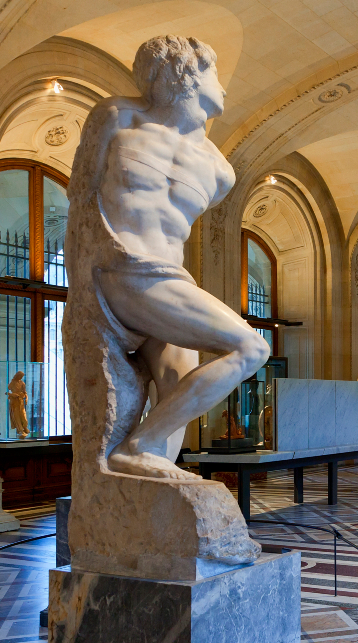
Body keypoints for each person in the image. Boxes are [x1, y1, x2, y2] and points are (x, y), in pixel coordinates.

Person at [65, 35, 269, 478]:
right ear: (186, 74)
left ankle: (146, 475)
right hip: (123, 270)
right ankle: (139, 447)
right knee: (251, 346)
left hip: (170, 280)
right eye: (215, 74)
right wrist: (80, 291)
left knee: (176, 385)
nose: (224, 87)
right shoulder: (119, 117)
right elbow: (80, 201)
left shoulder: (220, 171)